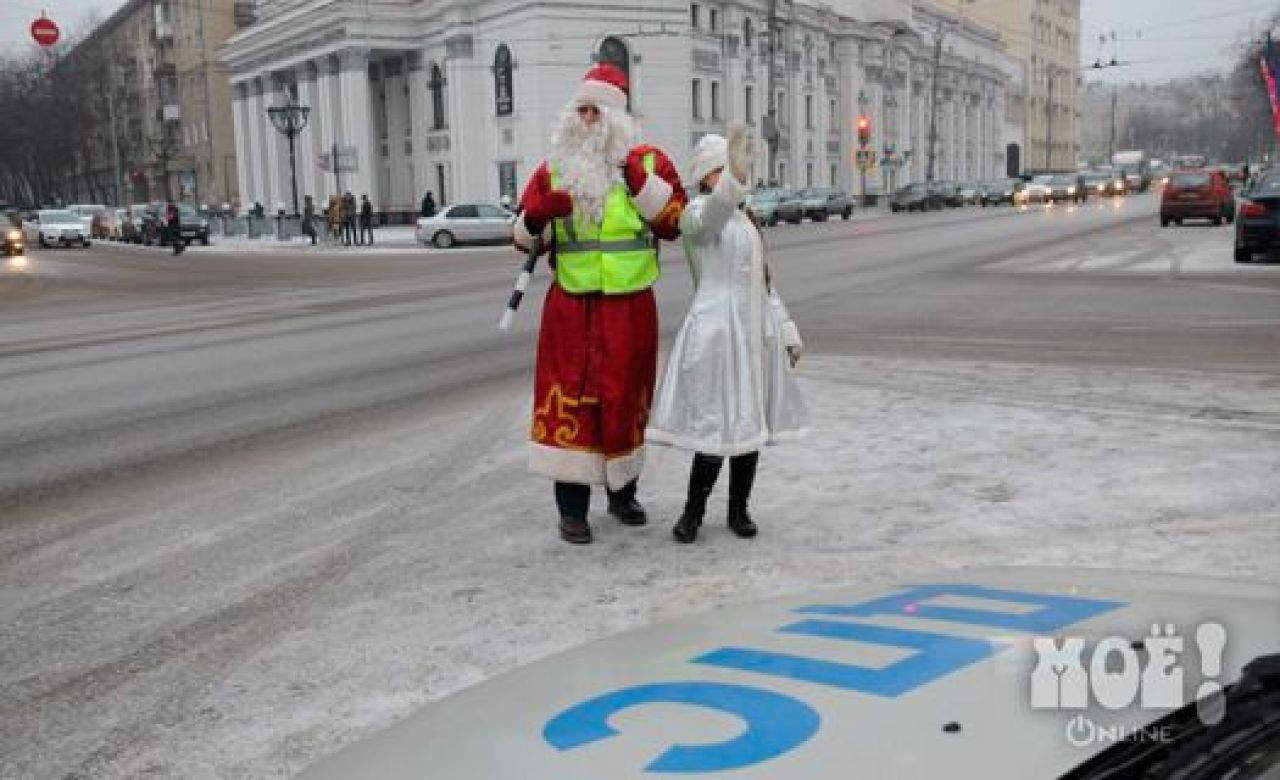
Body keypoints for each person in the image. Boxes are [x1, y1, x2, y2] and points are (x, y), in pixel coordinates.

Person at [512, 62, 687, 544]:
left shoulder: (650, 163)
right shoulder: (553, 170)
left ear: (616, 118)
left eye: (596, 110)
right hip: (571, 307)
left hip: (629, 309)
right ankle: (572, 509)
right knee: (571, 399)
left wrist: (639, 183)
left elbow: (675, 224)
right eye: (581, 109)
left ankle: (622, 494)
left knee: (624, 398)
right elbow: (522, 238)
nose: (586, 119)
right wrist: (537, 215)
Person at [646, 126, 808, 543]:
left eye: (732, 168)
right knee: (715, 425)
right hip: (717, 334)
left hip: (755, 332)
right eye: (719, 169)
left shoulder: (748, 220)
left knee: (750, 424)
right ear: (705, 176)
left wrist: (785, 329)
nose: (728, 175)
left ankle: (739, 510)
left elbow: (764, 282)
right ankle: (692, 513)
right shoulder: (696, 214)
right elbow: (710, 219)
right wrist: (733, 182)